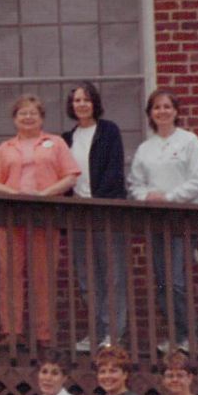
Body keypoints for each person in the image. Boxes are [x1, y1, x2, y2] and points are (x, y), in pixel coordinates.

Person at [0, 96, 81, 345]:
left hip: (45, 213)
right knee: (9, 273)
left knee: (44, 274)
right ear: (14, 119)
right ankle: (11, 331)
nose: (28, 117)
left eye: (33, 113)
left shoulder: (56, 143)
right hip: (9, 215)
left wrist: (44, 194)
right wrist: (13, 194)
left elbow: (71, 175)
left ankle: (44, 333)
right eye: (22, 114)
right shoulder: (5, 148)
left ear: (41, 118)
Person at [129, 89, 198, 351]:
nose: (162, 111)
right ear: (150, 114)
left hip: (182, 220)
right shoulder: (145, 148)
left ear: (176, 111)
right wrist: (146, 197)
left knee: (176, 280)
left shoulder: (188, 141)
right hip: (155, 221)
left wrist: (170, 197)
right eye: (156, 108)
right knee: (162, 281)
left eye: (167, 107)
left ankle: (190, 336)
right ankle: (176, 336)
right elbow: (135, 183)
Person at [64, 82, 129, 351]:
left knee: (112, 275)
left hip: (106, 212)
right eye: (77, 100)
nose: (81, 104)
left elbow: (114, 170)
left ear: (95, 103)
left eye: (86, 100)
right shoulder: (66, 138)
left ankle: (112, 334)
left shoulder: (108, 131)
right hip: (79, 216)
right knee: (86, 277)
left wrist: (98, 202)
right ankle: (95, 332)